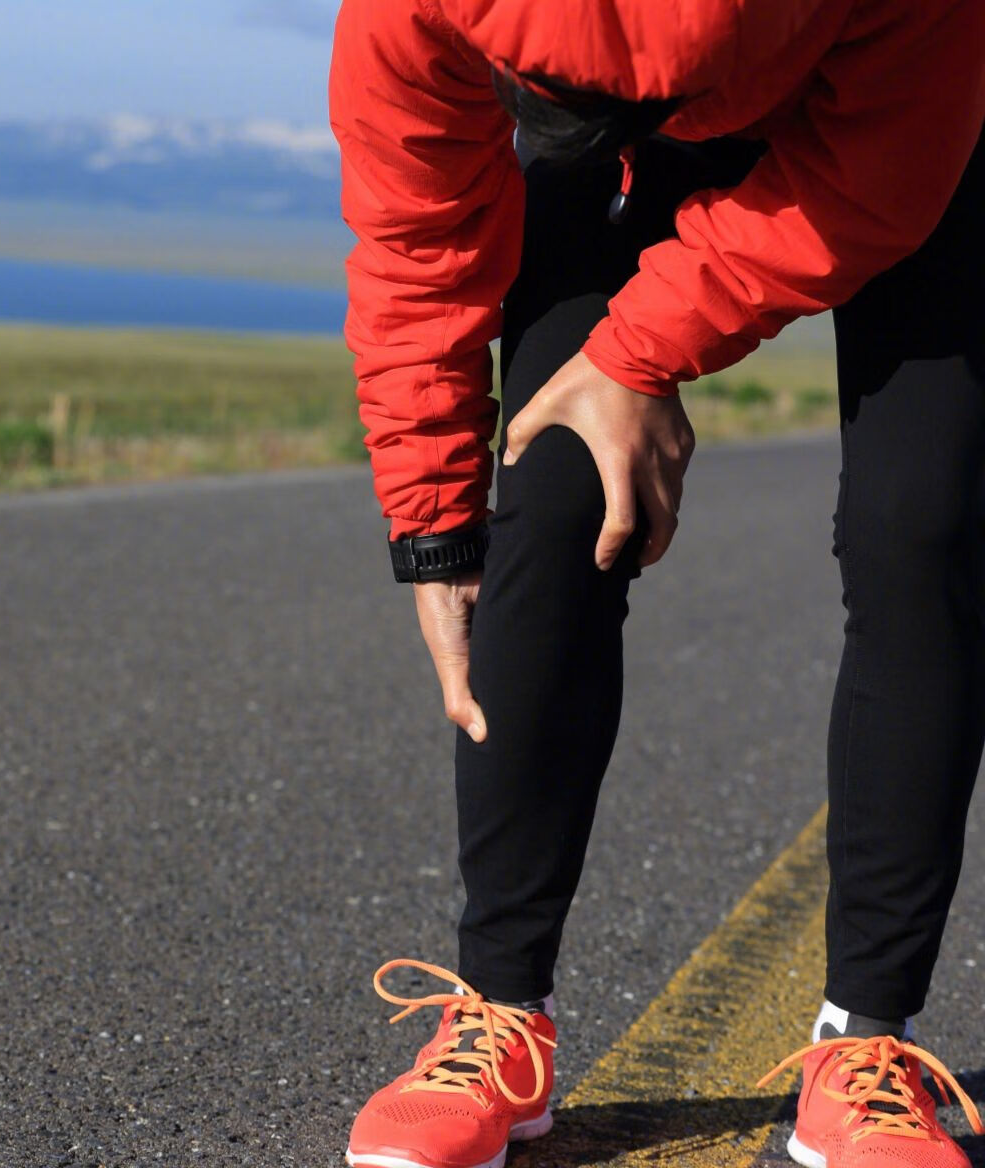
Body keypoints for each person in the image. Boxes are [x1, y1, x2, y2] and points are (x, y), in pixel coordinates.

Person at [327, 2, 985, 1168]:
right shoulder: (414, 13)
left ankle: (862, 1043)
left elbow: (872, 182)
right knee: (554, 487)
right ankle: (498, 1011)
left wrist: (641, 350)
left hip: (900, 125)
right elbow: (417, 243)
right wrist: (432, 527)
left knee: (923, 528)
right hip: (636, 143)